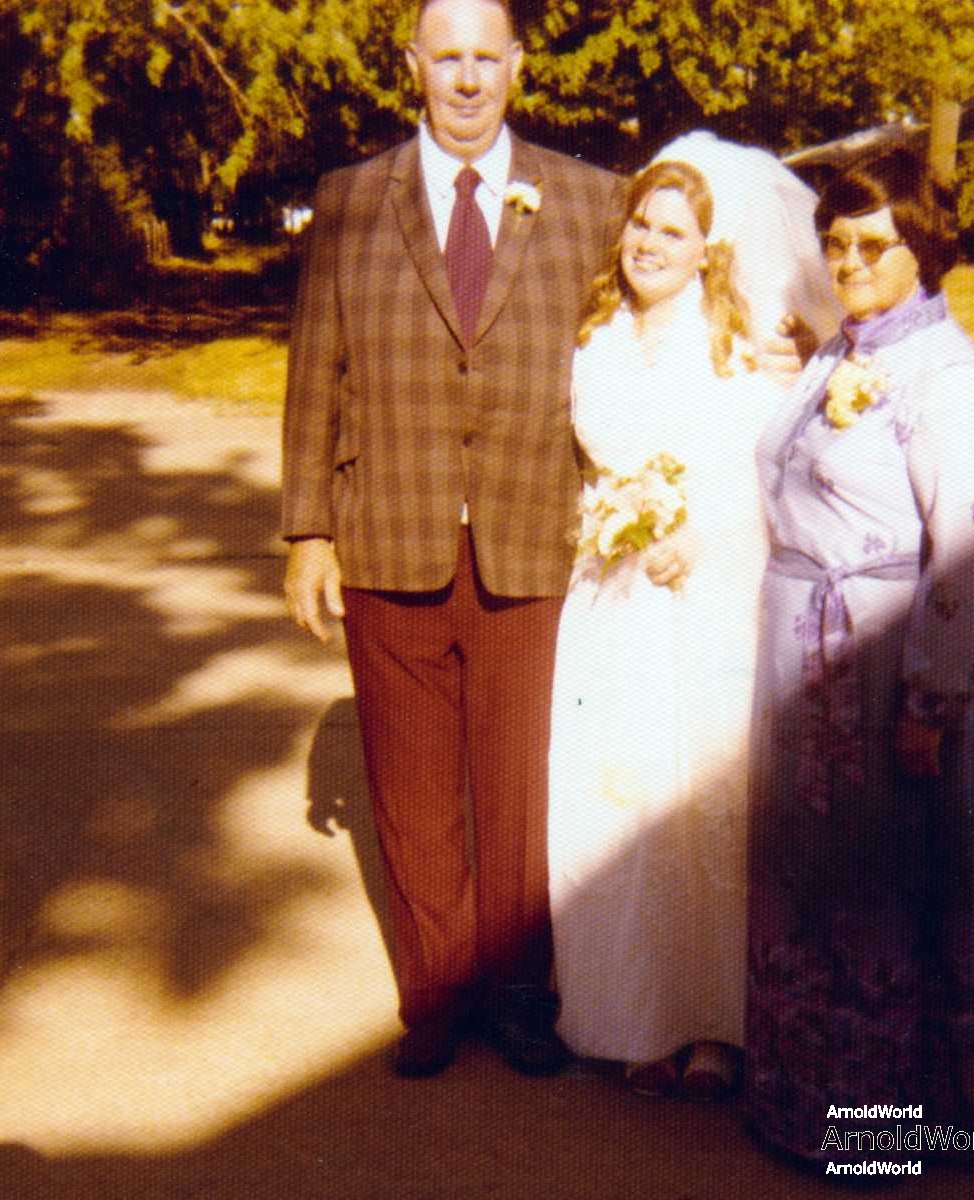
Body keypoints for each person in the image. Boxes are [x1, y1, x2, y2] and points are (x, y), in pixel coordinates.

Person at [282, 0, 625, 1078]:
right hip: (390, 528)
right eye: (448, 59)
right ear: (414, 66)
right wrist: (307, 531)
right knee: (411, 780)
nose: (468, 79)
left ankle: (520, 992)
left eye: (487, 57)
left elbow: (651, 329)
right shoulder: (349, 200)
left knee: (519, 783)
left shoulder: (590, 199)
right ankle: (437, 991)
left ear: (517, 65)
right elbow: (314, 371)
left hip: (533, 532)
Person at [547, 136, 837, 1098]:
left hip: (703, 591)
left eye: (674, 233)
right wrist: (623, 524)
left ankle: (717, 1026)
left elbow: (762, 465)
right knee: (618, 801)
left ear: (708, 250)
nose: (649, 243)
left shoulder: (736, 348)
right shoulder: (594, 336)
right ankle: (635, 1017)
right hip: (612, 595)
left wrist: (698, 532)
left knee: (701, 805)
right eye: (642, 224)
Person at [745, 148, 974, 1168]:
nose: (847, 261)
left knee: (881, 892)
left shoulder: (952, 381)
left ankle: (889, 1134)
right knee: (809, 881)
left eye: (871, 244)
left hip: (887, 669)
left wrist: (930, 701)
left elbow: (968, 550)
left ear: (924, 251)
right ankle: (809, 1109)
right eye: (835, 243)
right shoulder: (839, 354)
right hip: (803, 661)